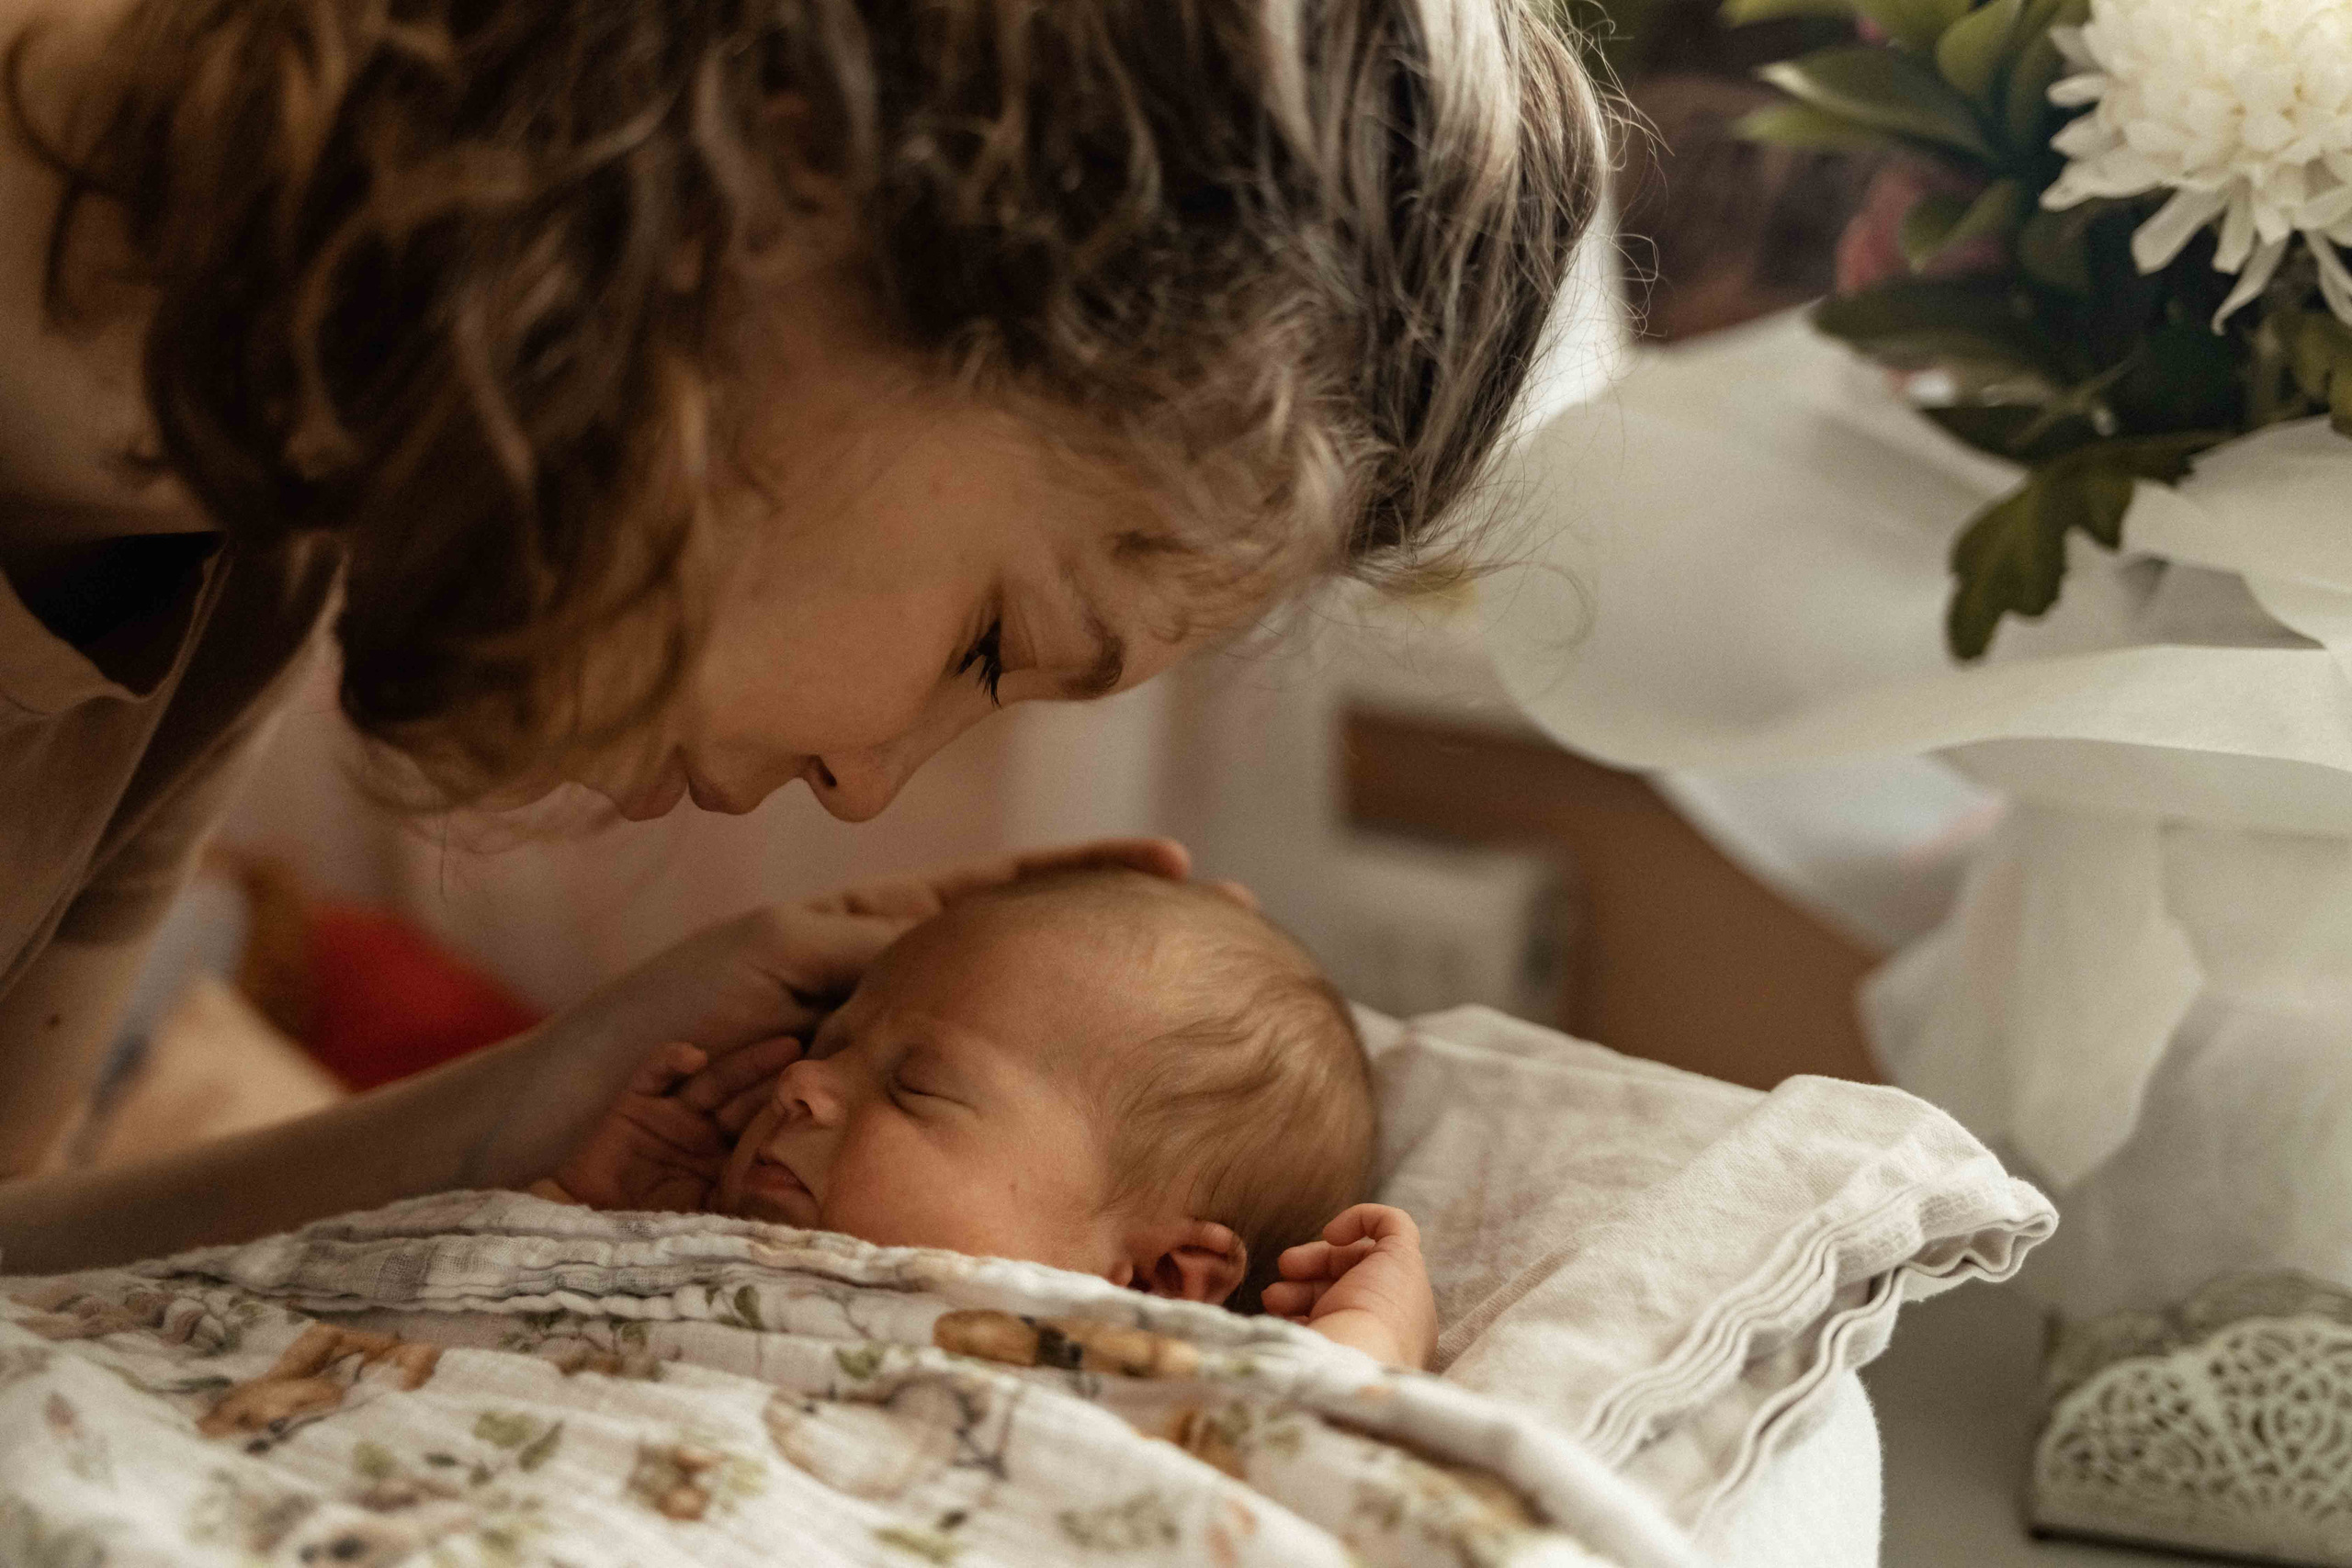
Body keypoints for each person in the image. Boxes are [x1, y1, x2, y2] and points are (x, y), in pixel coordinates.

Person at [0, 0, 1605, 1269]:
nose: (857, 784)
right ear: (785, 192)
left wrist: (535, 1098)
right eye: (992, 641)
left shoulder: (231, 567)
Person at [537, 869, 1440, 1369]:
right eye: (829, 1039)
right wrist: (576, 1216)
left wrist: (1367, 1348)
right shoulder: (682, 1251)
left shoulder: (1109, 1374)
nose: (800, 1080)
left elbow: (1304, 1469)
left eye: (913, 1089)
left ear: (1162, 1276)